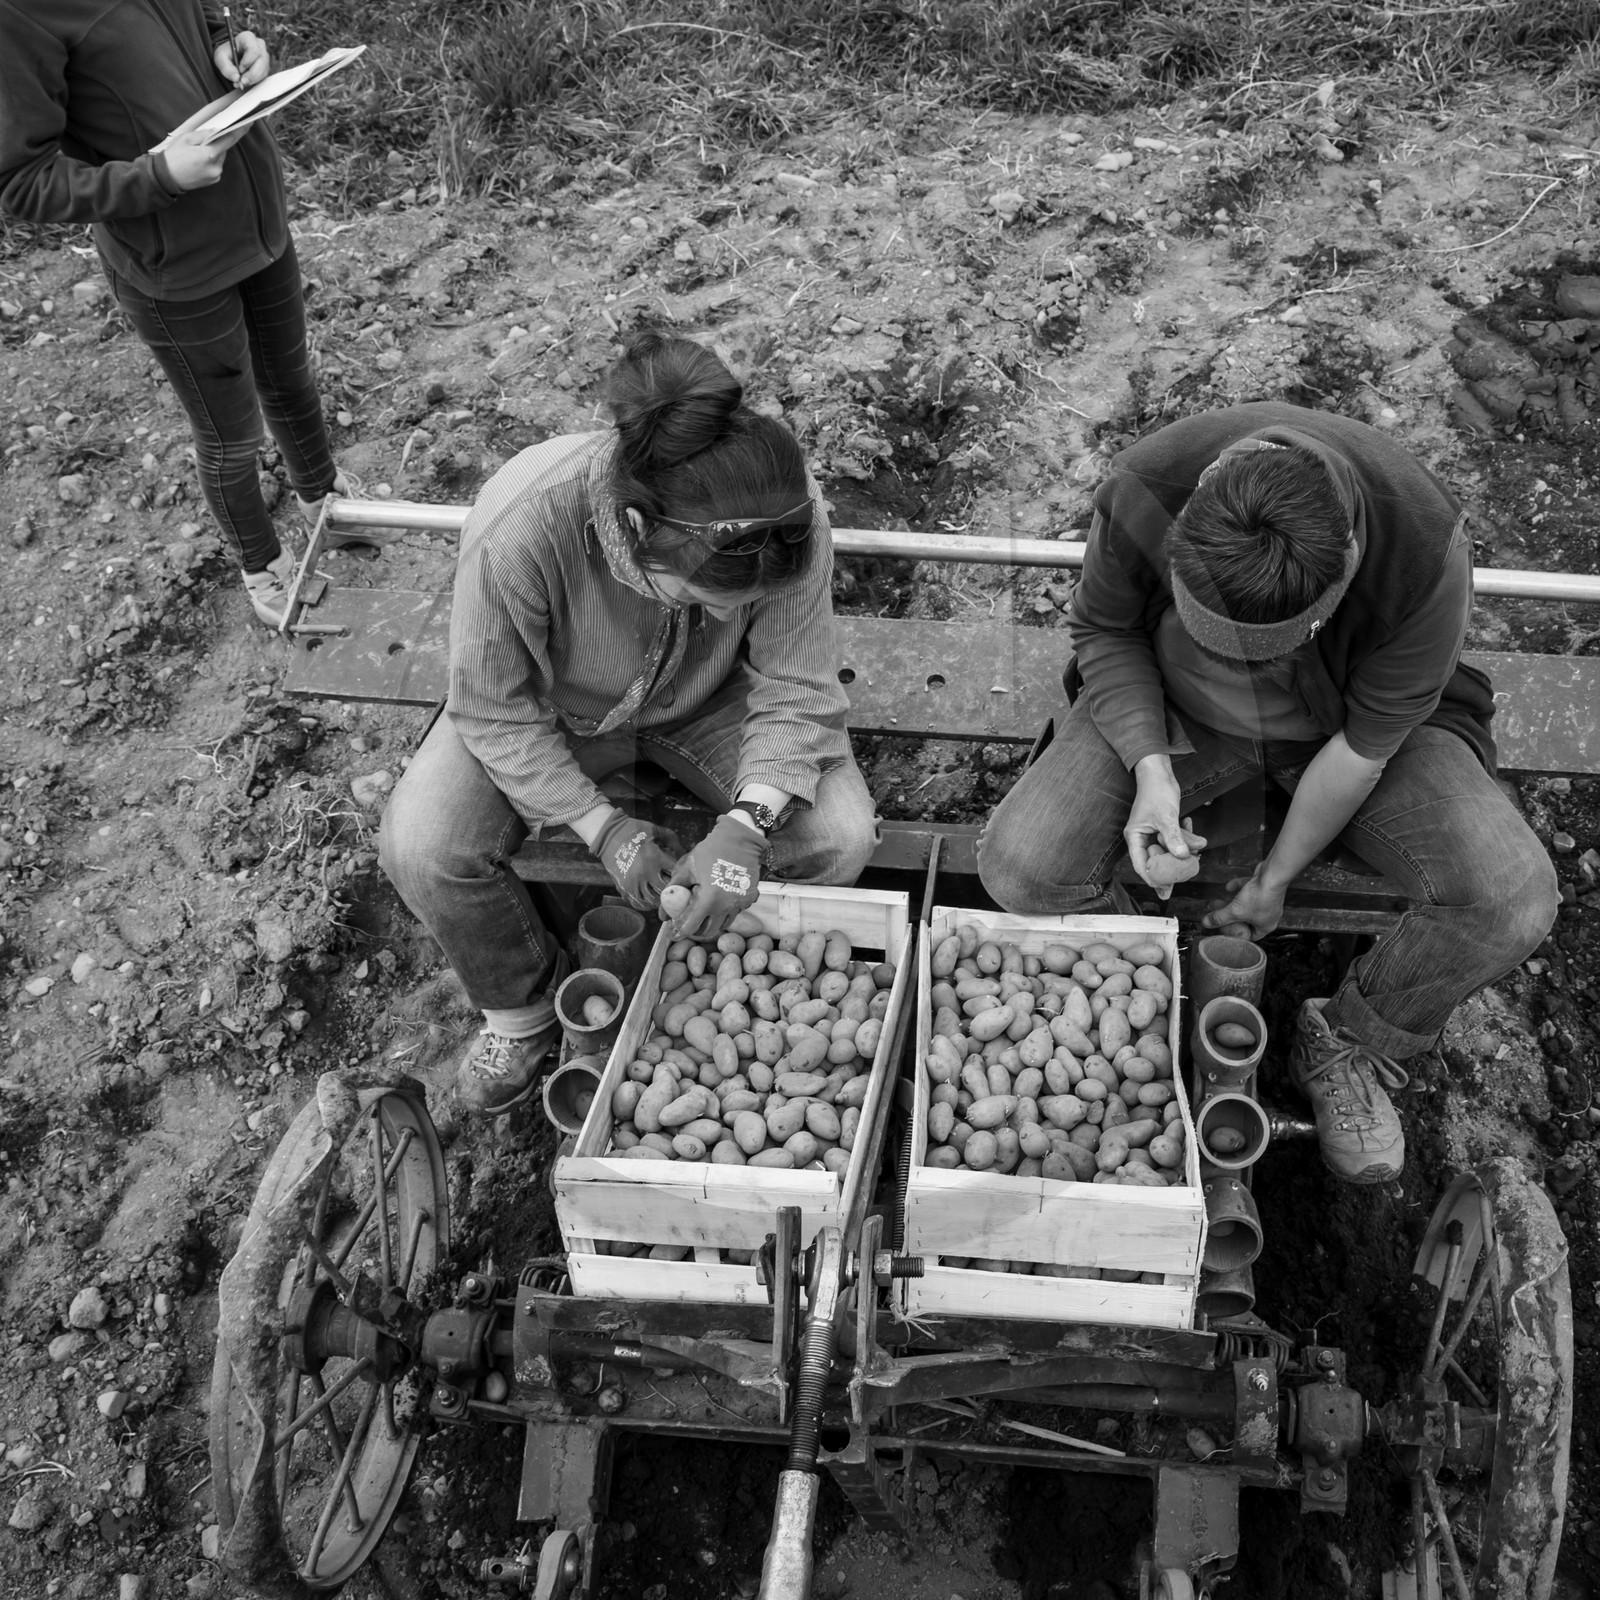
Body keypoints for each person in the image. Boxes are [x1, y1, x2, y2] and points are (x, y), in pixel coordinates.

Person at [978, 402, 1558, 1184]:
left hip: (1349, 727)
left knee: (1510, 897)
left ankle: (1355, 1039)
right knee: (1023, 865)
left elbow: (1363, 748)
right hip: (1179, 712)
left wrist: (1275, 879)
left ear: (1340, 577)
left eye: (1266, 651)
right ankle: (1148, 1001)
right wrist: (1152, 769)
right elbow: (1107, 632)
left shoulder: (1423, 550)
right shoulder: (1147, 486)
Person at [380, 332, 880, 1115]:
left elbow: (795, 683)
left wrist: (748, 824)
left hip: (714, 701)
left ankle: (719, 982)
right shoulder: (523, 522)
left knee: (837, 836)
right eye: (709, 602)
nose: (733, 614)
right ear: (640, 532)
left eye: (745, 607)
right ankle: (524, 1010)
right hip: (553, 711)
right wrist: (602, 828)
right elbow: (493, 708)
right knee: (423, 844)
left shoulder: (784, 517)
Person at [0, 0, 354, 626]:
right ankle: (262, 564)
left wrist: (228, 40)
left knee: (291, 378)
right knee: (231, 436)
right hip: (173, 267)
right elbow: (22, 182)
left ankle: (326, 501)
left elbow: (194, 20)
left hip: (256, 222)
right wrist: (158, 176)